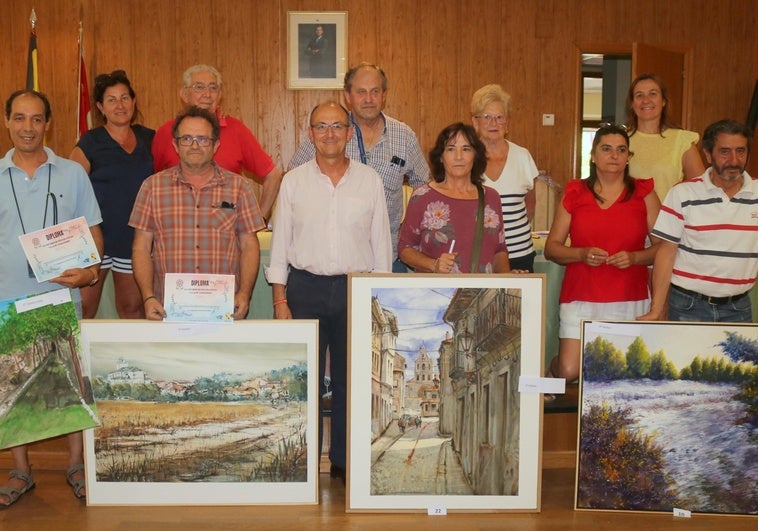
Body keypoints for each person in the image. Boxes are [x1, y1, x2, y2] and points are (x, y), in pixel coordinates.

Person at [267, 102, 391, 482]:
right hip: (305, 288)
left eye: (337, 126)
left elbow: (381, 242)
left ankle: (343, 461)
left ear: (349, 132)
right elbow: (280, 244)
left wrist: (379, 295)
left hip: (356, 288)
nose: (330, 133)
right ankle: (302, 461)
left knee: (349, 381)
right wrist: (280, 299)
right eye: (322, 127)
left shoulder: (369, 179)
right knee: (303, 378)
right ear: (310, 134)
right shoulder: (293, 181)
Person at [0, 90, 104, 505]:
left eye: (37, 119)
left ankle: (77, 465)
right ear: (7, 121)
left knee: (70, 386)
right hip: (7, 299)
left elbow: (94, 230)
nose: (28, 127)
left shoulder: (72, 174)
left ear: (48, 124)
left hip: (60, 298)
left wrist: (91, 272)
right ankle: (21, 470)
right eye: (20, 118)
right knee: (12, 388)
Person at [545, 124, 660, 381]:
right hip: (581, 293)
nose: (614, 155)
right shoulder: (574, 192)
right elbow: (552, 247)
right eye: (606, 149)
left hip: (629, 295)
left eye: (621, 150)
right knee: (569, 370)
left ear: (628, 157)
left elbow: (663, 248)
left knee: (618, 373)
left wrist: (635, 258)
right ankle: (549, 374)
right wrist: (581, 254)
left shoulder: (645, 194)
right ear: (593, 155)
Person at [288, 62, 429, 272]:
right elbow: (293, 179)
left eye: (375, 91)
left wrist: (408, 230)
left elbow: (425, 188)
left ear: (384, 95)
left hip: (389, 258)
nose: (369, 99)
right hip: (338, 264)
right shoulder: (329, 134)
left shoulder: (404, 136)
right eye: (361, 92)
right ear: (348, 95)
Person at [130, 106, 264, 321]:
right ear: (175, 144)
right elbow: (141, 247)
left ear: (215, 145)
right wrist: (148, 297)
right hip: (168, 309)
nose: (194, 145)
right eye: (186, 138)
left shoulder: (239, 187)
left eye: (202, 139)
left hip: (224, 308)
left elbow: (249, 245)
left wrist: (244, 294)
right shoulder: (152, 187)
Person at [640, 119, 756, 323]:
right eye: (725, 152)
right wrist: (657, 309)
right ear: (708, 154)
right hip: (688, 306)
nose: (734, 160)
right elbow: (666, 252)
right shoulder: (683, 193)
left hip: (739, 308)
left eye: (741, 151)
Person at [69, 70, 154, 319]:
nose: (120, 105)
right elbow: (70, 189)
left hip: (134, 240)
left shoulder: (150, 138)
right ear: (100, 107)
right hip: (94, 240)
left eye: (125, 97)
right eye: (112, 99)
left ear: (134, 101)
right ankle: (77, 359)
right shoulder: (90, 142)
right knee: (83, 309)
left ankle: (132, 359)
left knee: (132, 310)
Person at [151, 64, 282, 220]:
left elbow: (273, 175)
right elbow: (153, 182)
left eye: (213, 88)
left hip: (227, 234)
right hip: (177, 233)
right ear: (184, 94)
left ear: (219, 95)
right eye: (199, 87)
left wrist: (258, 221)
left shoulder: (236, 130)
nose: (207, 94)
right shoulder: (166, 132)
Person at [398, 122, 511, 274]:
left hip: (482, 294)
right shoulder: (422, 197)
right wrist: (434, 265)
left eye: (466, 149)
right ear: (440, 157)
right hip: (435, 294)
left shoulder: (491, 197)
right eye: (451, 149)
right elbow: (405, 249)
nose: (459, 157)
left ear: (475, 155)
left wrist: (509, 280)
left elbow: (499, 250)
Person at [471, 84, 539, 272]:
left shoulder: (523, 156)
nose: (494, 123)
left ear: (507, 123)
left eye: (499, 117)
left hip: (519, 253)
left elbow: (530, 205)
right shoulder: (466, 158)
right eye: (487, 117)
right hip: (477, 255)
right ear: (475, 122)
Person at [625, 73, 705, 201]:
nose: (646, 100)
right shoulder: (621, 141)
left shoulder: (682, 140)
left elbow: (700, 190)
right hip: (630, 218)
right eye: (639, 95)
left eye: (653, 94)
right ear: (632, 104)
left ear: (663, 101)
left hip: (671, 218)